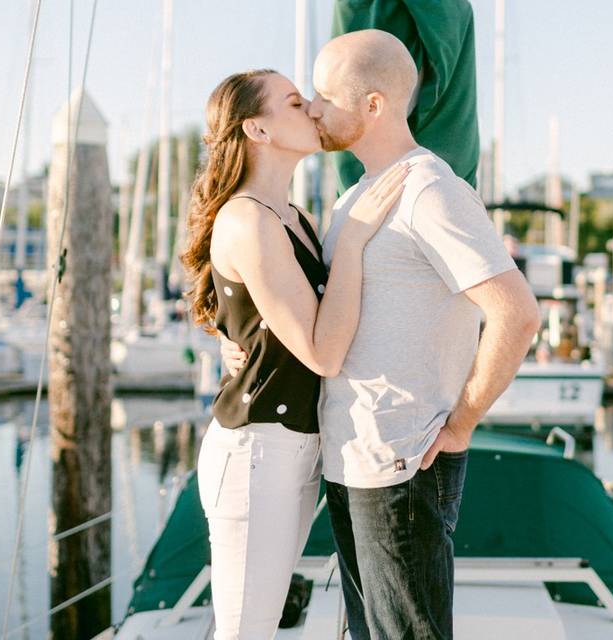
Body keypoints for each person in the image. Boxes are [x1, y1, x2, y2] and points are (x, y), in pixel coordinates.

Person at [222, 30, 541, 639]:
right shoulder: (356, 197)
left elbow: (516, 313)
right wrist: (234, 338)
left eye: (322, 95)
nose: (312, 108)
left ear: (372, 105)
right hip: (353, 457)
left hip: (403, 456)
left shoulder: (429, 189)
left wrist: (462, 423)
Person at [180, 69, 408, 639]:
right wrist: (352, 240)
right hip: (258, 450)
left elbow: (250, 316)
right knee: (245, 631)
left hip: (295, 446)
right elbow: (323, 353)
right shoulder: (247, 219)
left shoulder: (295, 219)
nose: (311, 108)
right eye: (292, 101)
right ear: (257, 128)